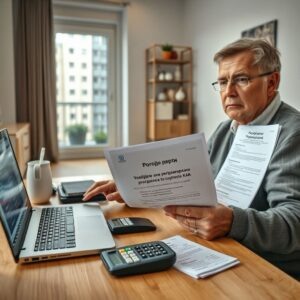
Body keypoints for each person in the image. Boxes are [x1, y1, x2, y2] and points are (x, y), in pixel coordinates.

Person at [83, 38, 300, 279]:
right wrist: (137, 186)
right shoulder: (226, 128)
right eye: (222, 81)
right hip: (218, 248)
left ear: (272, 82)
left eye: (241, 79)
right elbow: (193, 182)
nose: (228, 92)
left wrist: (232, 222)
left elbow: (295, 220)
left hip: (268, 269)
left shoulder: (293, 133)